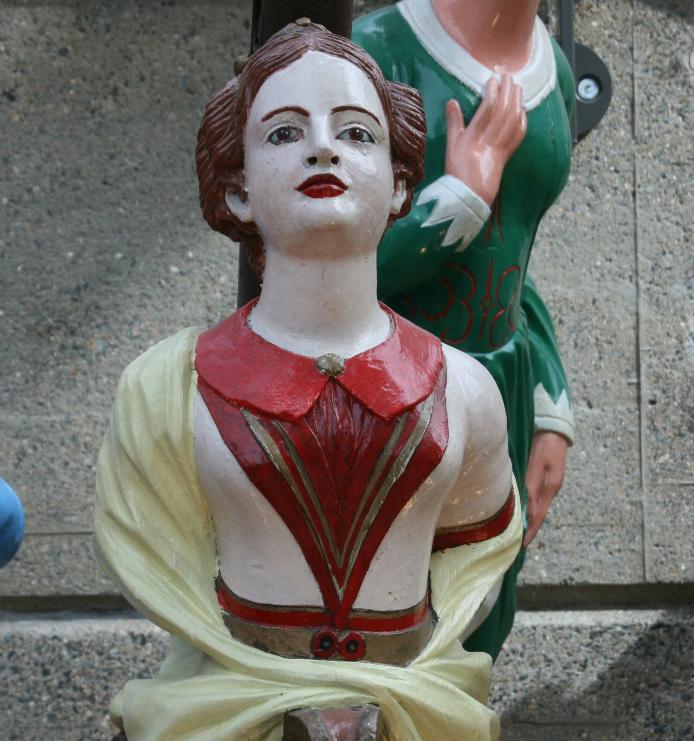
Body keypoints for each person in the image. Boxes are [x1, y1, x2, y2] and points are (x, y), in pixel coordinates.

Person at [96, 22, 521, 740]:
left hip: (412, 704)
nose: (322, 147)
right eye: (284, 134)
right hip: (226, 707)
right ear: (237, 192)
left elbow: (475, 555)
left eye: (357, 134)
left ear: (400, 184)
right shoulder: (167, 388)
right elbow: (160, 554)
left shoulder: (466, 389)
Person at [353, 0, 576, 659]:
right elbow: (310, 270)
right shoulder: (373, 56)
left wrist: (549, 401)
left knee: (480, 626)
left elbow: (516, 254)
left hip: (500, 390)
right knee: (383, 637)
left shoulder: (552, 70)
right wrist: (458, 202)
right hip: (386, 399)